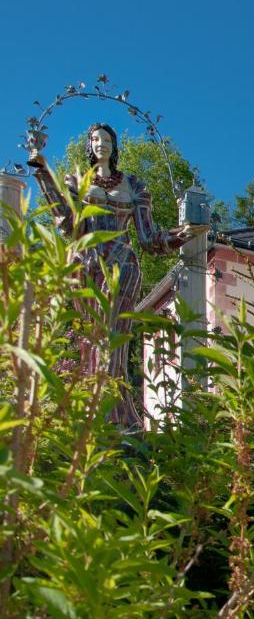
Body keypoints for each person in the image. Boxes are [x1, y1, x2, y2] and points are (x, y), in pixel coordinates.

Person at [29, 123, 206, 428]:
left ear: (114, 145)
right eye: (96, 139)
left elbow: (149, 238)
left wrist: (182, 234)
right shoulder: (77, 181)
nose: (102, 143)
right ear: (90, 146)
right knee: (93, 335)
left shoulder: (133, 186)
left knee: (116, 336)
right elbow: (71, 226)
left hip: (123, 262)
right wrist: (43, 171)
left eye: (107, 139)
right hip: (89, 261)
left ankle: (115, 413)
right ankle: (93, 407)